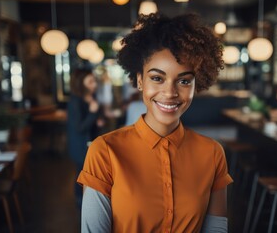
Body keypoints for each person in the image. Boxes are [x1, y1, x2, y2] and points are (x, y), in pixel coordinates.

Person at [77, 13, 233, 232]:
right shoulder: (104, 152)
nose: (169, 92)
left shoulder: (213, 153)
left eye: (184, 81)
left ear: (196, 85)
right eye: (157, 78)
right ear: (140, 80)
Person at [67, 68, 100, 207]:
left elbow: (92, 121)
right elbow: (79, 127)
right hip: (80, 145)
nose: (94, 84)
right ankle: (80, 201)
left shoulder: (91, 97)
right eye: (91, 81)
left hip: (90, 142)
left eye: (94, 81)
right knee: (81, 173)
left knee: (89, 172)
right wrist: (93, 113)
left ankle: (89, 199)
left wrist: (98, 119)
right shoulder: (75, 101)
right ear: (82, 83)